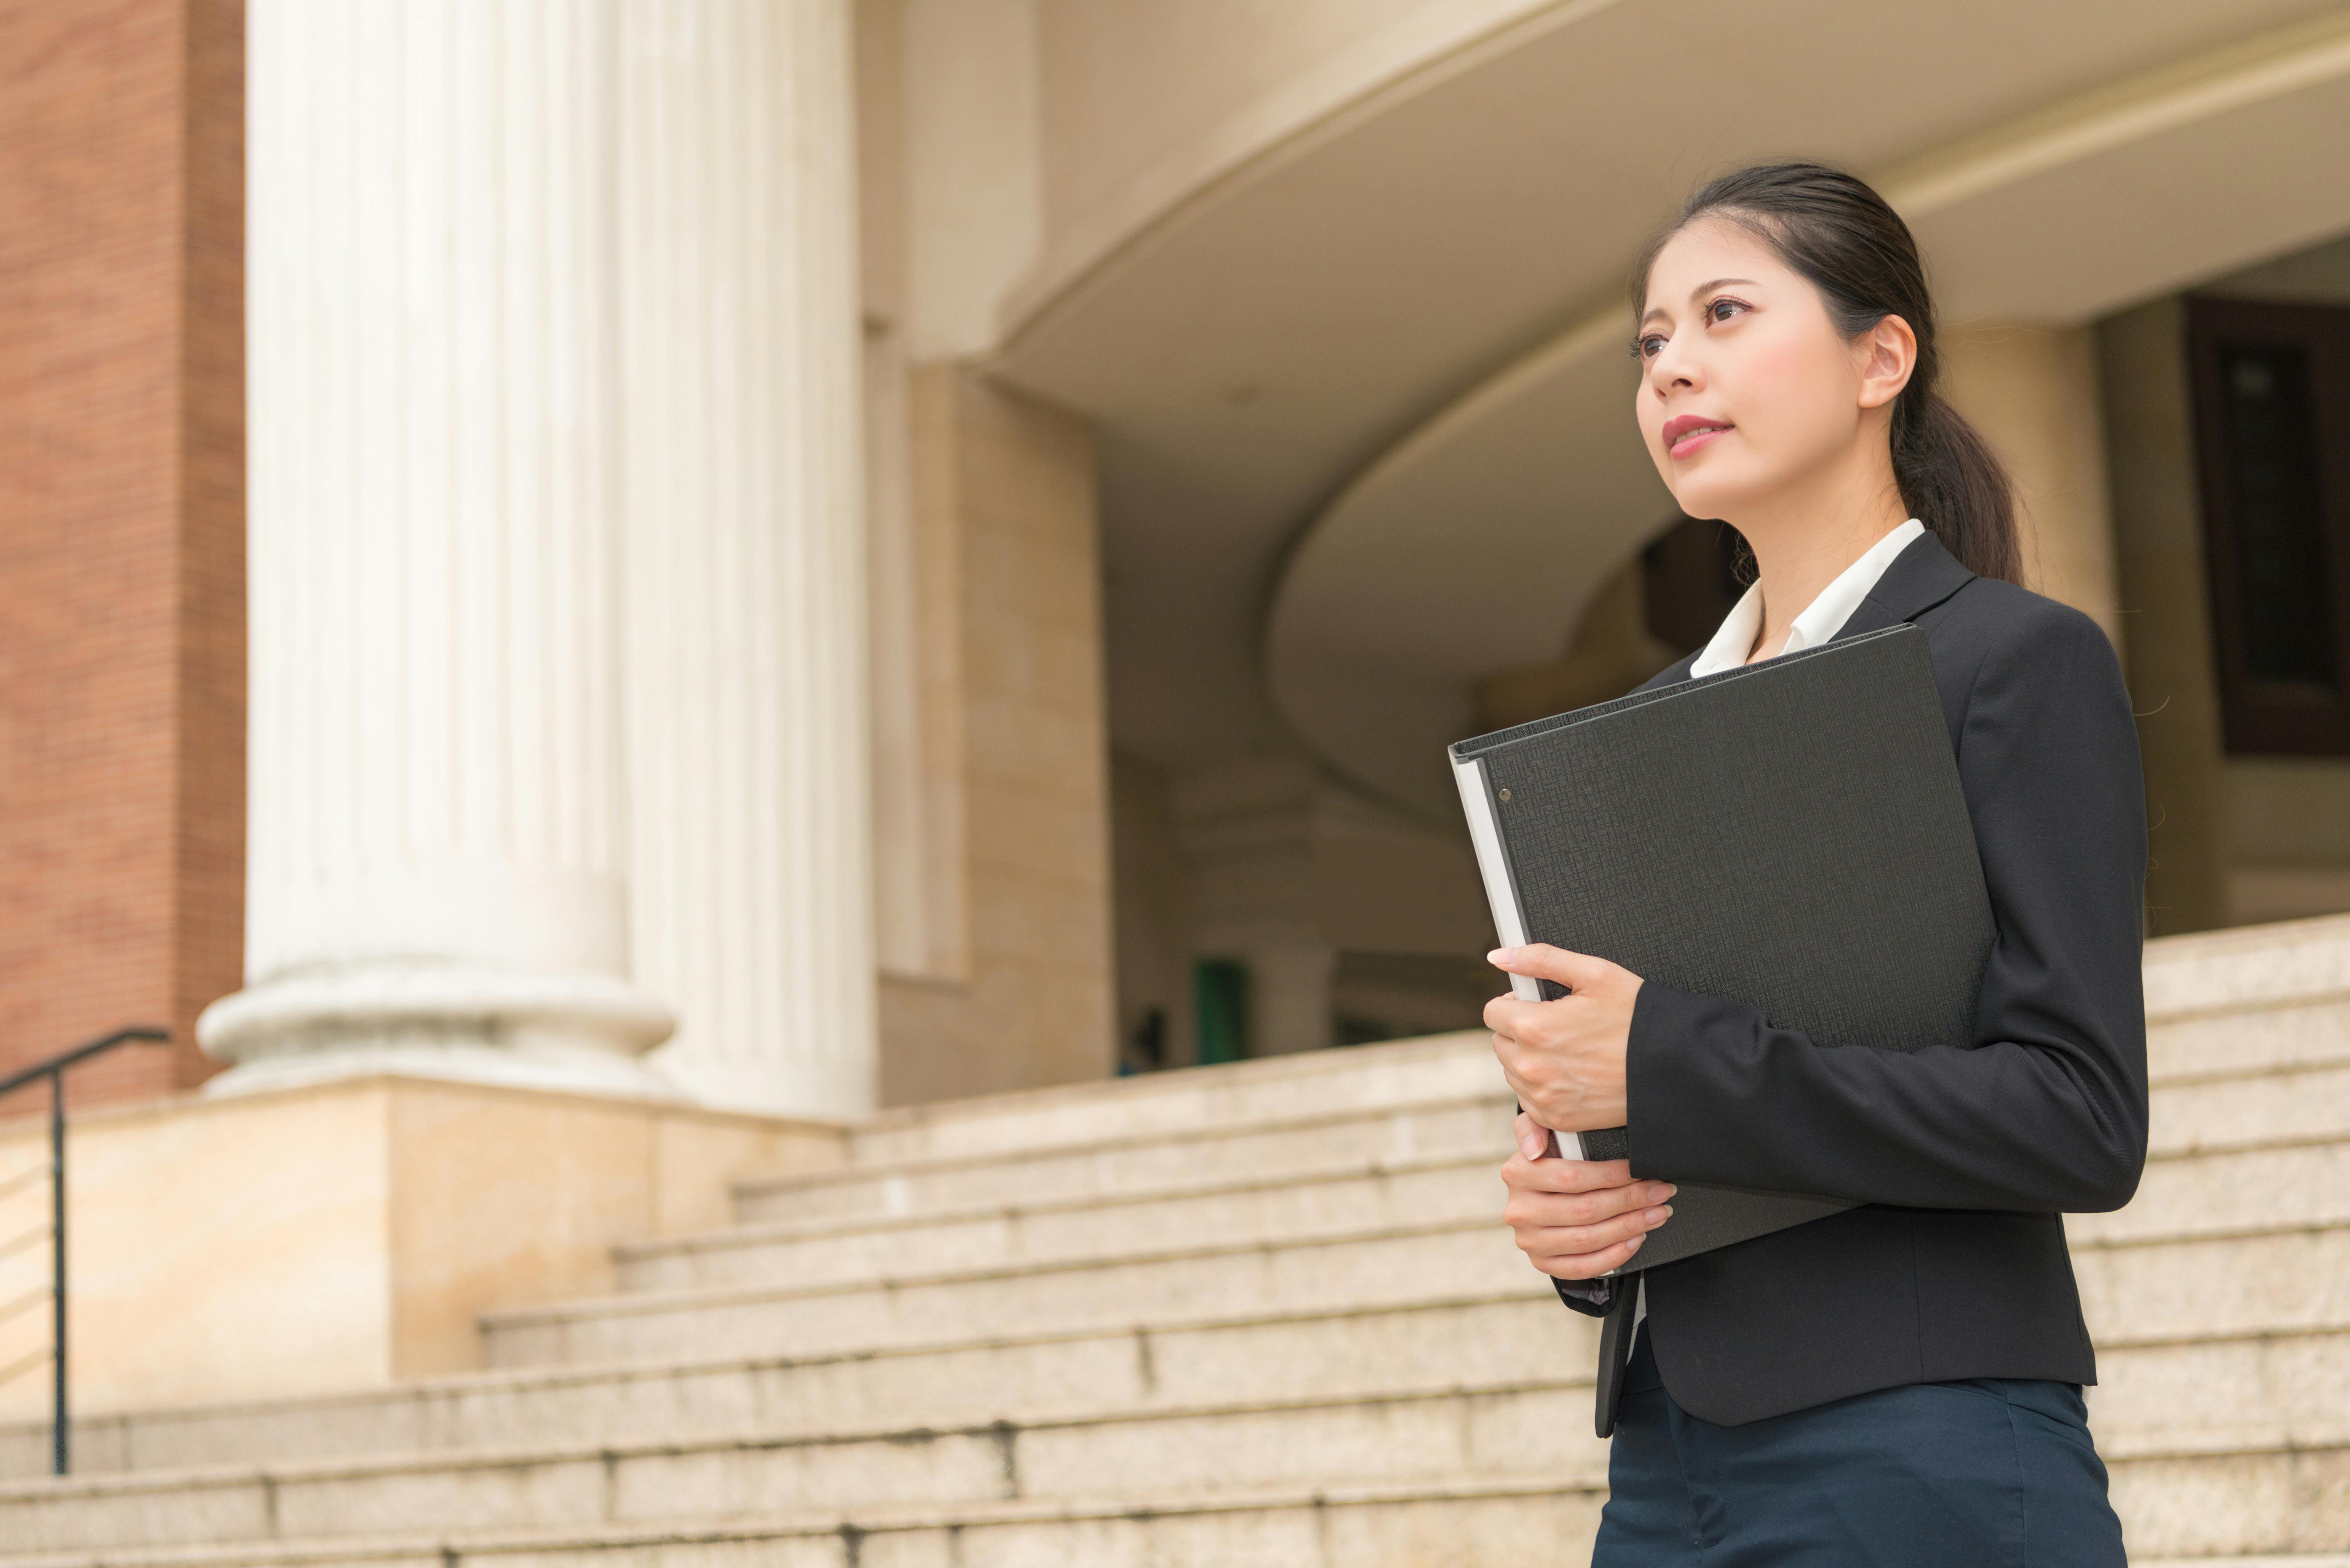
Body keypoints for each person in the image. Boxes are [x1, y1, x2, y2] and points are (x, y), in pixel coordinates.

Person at [1487, 162, 2146, 1567]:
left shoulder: (2013, 663)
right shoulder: (1650, 729)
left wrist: (1663, 1062)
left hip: (1921, 1444)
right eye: (1652, 342)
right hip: (1667, 1467)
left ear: (1880, 357)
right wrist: (1585, 1209)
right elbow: (1699, 1115)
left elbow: (2080, 1113)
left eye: (1725, 313)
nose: (1674, 368)